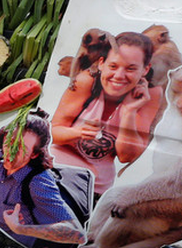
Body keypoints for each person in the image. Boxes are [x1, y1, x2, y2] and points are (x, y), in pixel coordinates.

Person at [51, 31, 163, 196]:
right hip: (53, 174)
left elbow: (126, 156)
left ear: (145, 70)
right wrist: (78, 132)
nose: (119, 76)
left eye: (131, 69)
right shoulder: (86, 81)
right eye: (113, 66)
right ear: (102, 63)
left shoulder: (151, 95)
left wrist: (129, 112)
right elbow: (53, 133)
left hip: (92, 191)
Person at [0, 110, 86, 248]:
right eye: (10, 142)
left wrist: (19, 228)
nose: (10, 152)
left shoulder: (38, 182)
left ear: (34, 154)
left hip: (12, 247)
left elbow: (77, 234)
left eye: (21, 148)